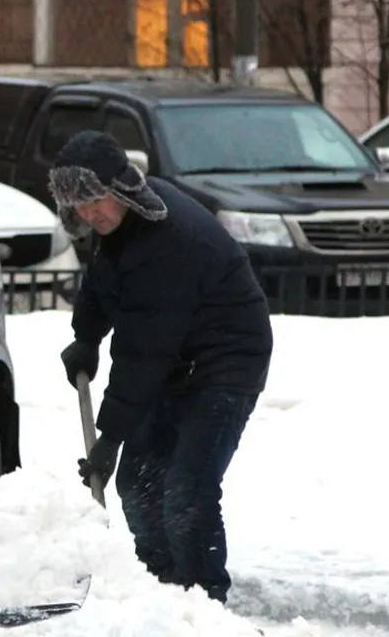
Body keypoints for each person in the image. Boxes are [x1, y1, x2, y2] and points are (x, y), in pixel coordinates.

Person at [50, 130, 273, 605]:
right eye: (79, 206)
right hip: (175, 361)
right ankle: (162, 589)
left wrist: (110, 437)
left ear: (120, 188)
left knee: (187, 490)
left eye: (95, 201)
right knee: (138, 484)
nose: (90, 214)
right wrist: (86, 336)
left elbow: (143, 350)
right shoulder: (120, 225)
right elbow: (103, 282)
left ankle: (203, 602)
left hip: (226, 362)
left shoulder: (167, 240)